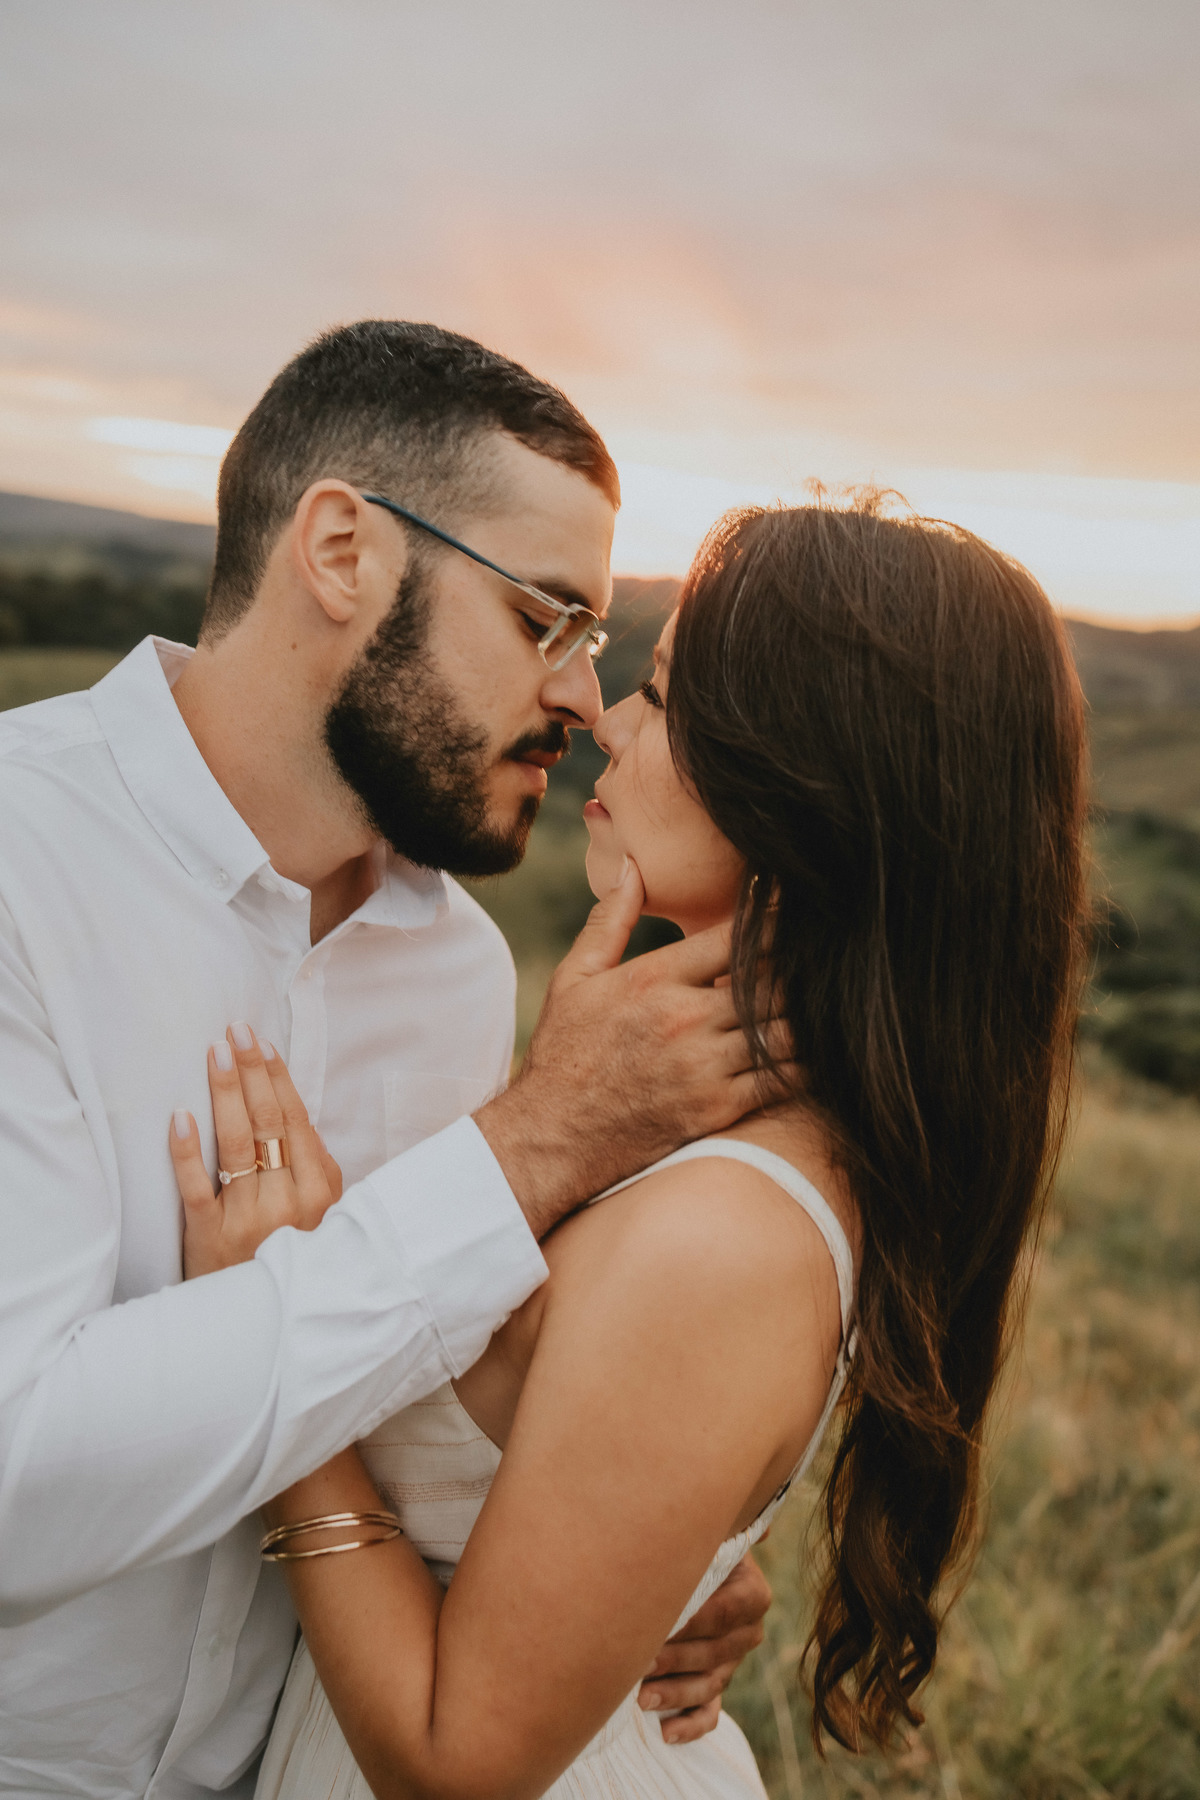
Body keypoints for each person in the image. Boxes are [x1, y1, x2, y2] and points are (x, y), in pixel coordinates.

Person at [169, 494, 1089, 1798]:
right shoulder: (689, 1121)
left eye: (663, 699)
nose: (608, 722)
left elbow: (457, 1762)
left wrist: (282, 1351)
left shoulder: (720, 1236)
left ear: (803, 793)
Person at [0, 324, 773, 1799]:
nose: (580, 699)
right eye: (545, 617)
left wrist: (638, 1548)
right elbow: (14, 1492)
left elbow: (415, 1391)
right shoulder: (17, 870)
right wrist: (526, 1154)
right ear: (342, 552)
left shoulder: (458, 968)